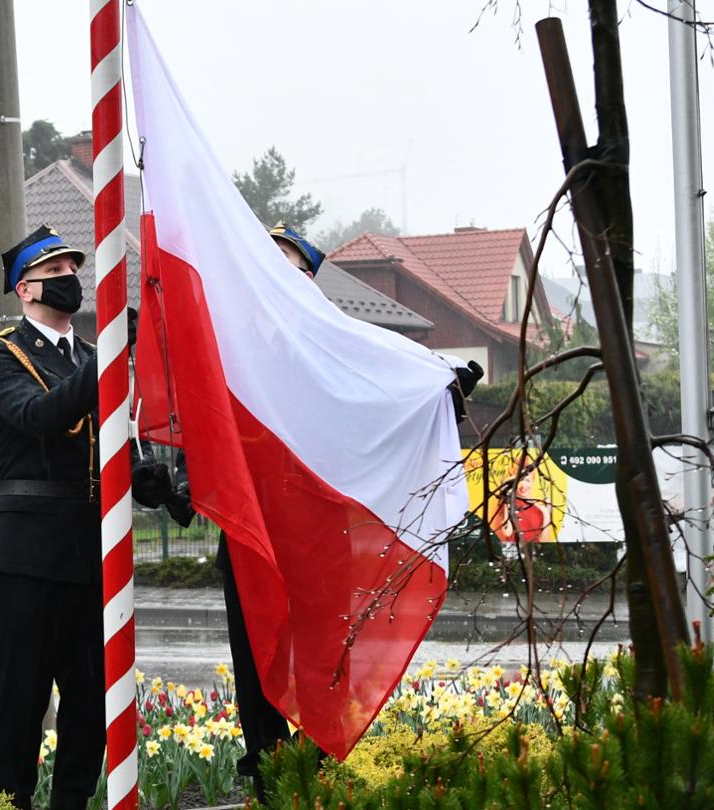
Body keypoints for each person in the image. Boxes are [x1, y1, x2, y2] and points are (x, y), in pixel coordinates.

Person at [130, 223, 483, 798]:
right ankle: (270, 780)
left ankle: (311, 776)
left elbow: (385, 392)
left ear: (310, 281)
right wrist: (177, 486)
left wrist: (437, 387)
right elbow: (210, 426)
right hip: (253, 539)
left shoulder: (336, 347)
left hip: (320, 543)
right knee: (258, 668)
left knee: (322, 670)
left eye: (290, 268)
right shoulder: (229, 350)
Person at [0, 225, 105, 810]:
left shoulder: (96, 359)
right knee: (20, 700)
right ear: (24, 289)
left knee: (92, 702)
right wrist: (107, 369)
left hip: (90, 549)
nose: (68, 280)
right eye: (54, 272)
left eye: (73, 269)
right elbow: (37, 415)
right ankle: (12, 803)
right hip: (24, 551)